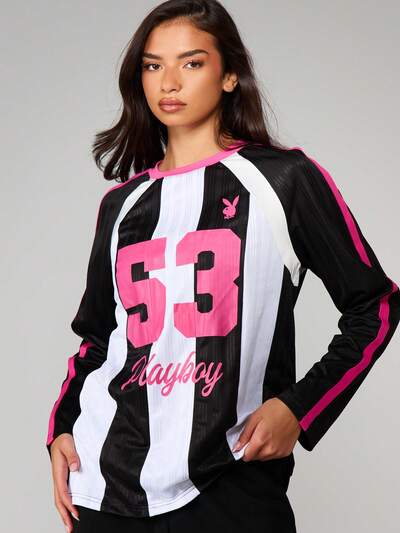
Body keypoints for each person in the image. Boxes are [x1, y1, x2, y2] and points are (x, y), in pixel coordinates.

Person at [45, 1, 400, 532]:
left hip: (229, 480)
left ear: (229, 74)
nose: (169, 82)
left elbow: (375, 305)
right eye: (152, 65)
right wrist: (61, 428)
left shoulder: (284, 180)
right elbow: (97, 339)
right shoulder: (121, 205)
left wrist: (299, 408)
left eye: (191, 63)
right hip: (106, 486)